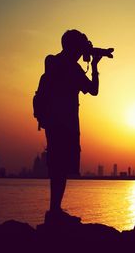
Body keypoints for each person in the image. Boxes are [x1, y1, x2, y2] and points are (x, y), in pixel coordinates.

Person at [43, 29, 102, 224]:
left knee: (58, 167)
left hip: (54, 122)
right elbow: (94, 90)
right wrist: (94, 65)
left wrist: (89, 56)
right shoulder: (70, 67)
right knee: (60, 167)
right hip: (65, 123)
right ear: (73, 47)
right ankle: (54, 211)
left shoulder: (53, 62)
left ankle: (54, 210)